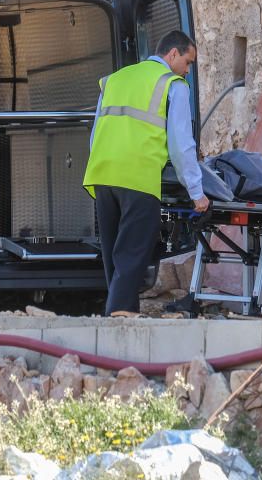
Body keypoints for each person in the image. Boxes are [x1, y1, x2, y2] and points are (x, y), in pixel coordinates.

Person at [83, 30, 209, 315]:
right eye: (188, 62)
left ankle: (121, 313)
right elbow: (181, 145)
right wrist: (196, 193)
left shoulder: (115, 79)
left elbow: (95, 134)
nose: (188, 71)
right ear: (172, 54)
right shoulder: (172, 84)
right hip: (138, 177)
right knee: (131, 254)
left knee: (114, 256)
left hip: (102, 174)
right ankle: (118, 318)